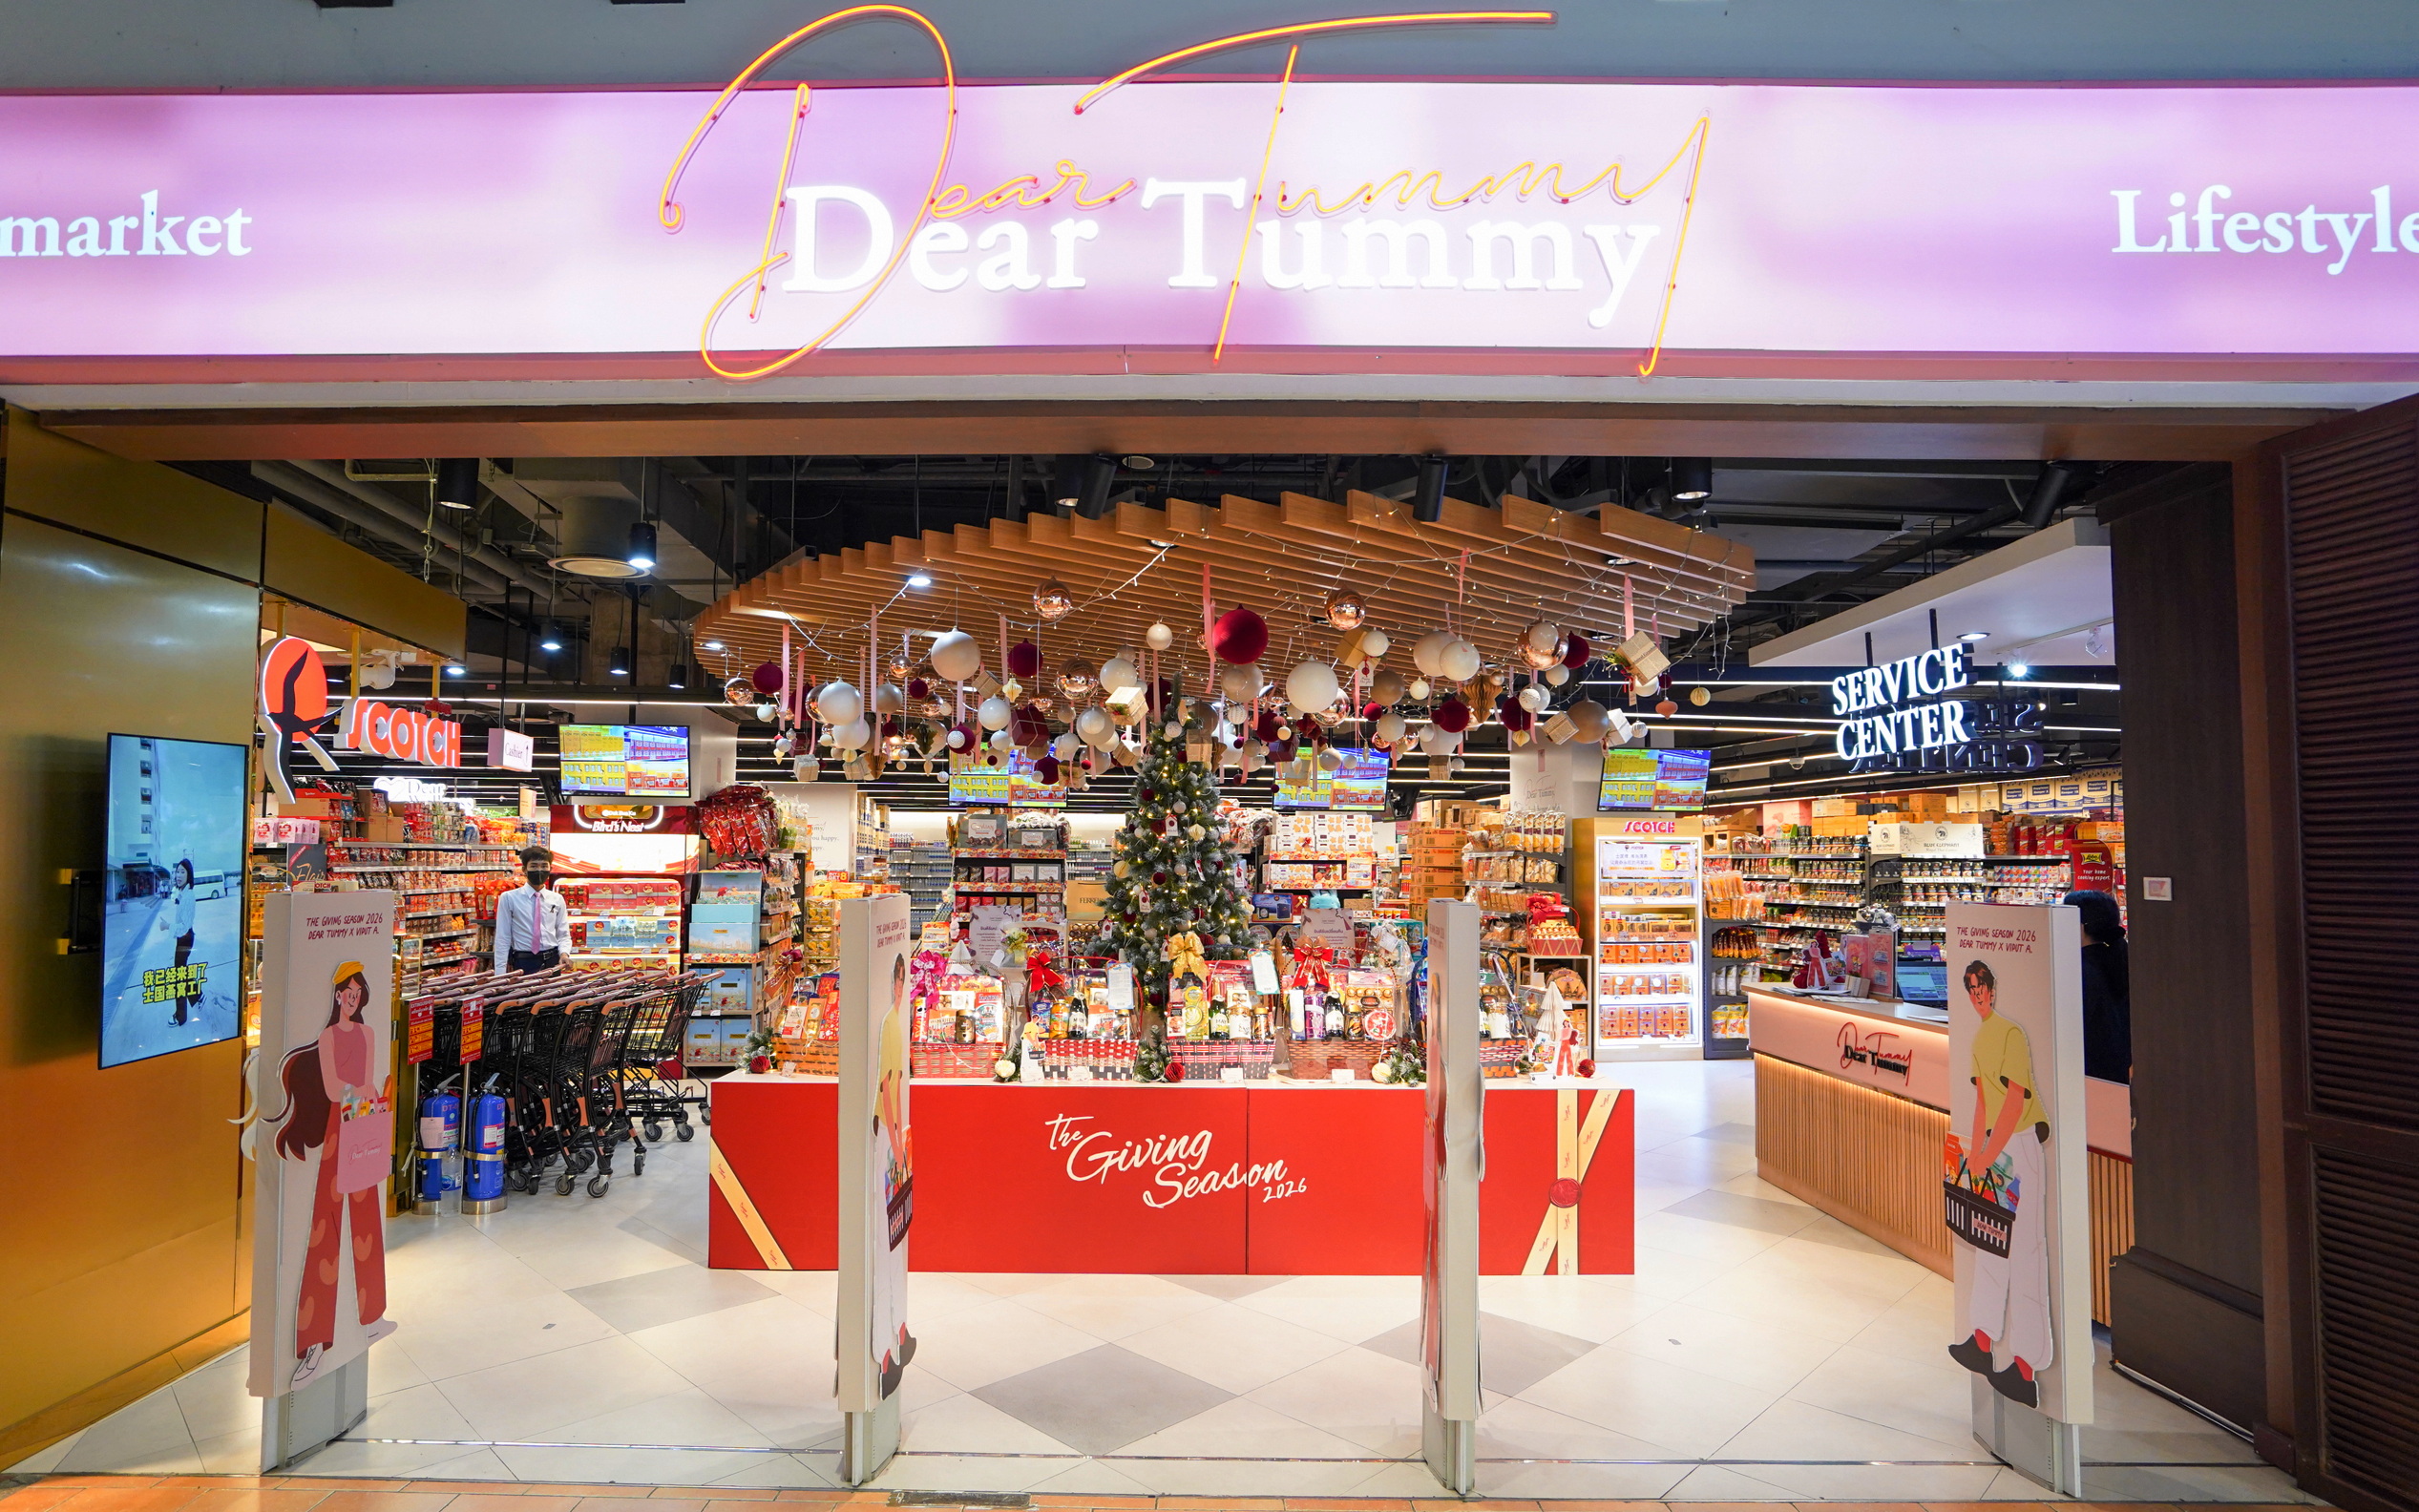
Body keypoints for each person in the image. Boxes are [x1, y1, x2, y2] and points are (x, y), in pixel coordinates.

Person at [272, 960, 393, 1387]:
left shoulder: (368, 1034)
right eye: (348, 992)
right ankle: (313, 1341)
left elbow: (369, 1079)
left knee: (367, 1220)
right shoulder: (327, 1038)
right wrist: (358, 1092)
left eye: (358, 993)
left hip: (361, 1122)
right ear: (338, 995)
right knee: (326, 1225)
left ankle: (372, 1317)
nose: (353, 999)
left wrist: (368, 1096)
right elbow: (330, 1087)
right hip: (339, 1128)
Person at [1947, 957, 2054, 1408]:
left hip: (2021, 1144)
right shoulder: (1981, 1036)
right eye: (1970, 989)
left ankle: (2025, 1368)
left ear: (1992, 989)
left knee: (2025, 1252)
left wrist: (1987, 1154)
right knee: (1991, 1241)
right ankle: (1982, 1340)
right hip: (1996, 1144)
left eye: (1981, 987)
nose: (1977, 995)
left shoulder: (2011, 1033)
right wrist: (1976, 1154)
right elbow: (1982, 1102)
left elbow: (2013, 1100)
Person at [2064, 889, 2132, 1084]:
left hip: (2088, 1072)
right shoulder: (2121, 954)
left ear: (2078, 927)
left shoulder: (2077, 969)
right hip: (2118, 1069)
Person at [494, 847, 568, 974]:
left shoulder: (557, 899)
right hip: (523, 961)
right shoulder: (509, 898)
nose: (539, 870)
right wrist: (499, 973)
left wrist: (564, 953)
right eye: (533, 866)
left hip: (552, 961)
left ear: (550, 869)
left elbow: (563, 933)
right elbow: (503, 937)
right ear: (524, 870)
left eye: (544, 866)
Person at [157, 858, 199, 1025]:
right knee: (182, 974)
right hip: (184, 938)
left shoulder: (188, 896)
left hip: (185, 938)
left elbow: (184, 927)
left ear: (189, 874)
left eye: (182, 872)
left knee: (179, 978)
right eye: (177, 872)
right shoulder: (183, 893)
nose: (178, 875)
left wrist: (167, 926)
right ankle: (197, 996)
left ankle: (180, 1017)